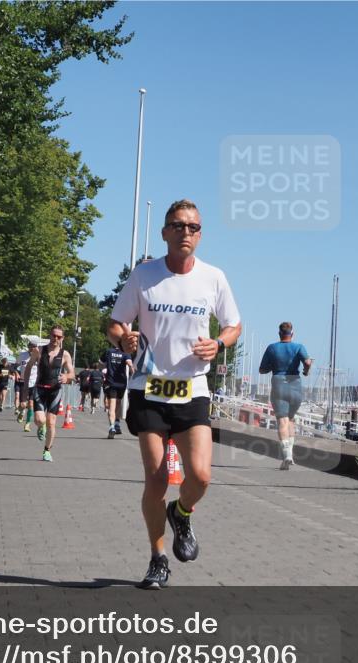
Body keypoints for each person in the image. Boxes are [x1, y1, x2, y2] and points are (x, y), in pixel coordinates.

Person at [108, 199, 241, 590]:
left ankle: (181, 513)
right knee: (157, 479)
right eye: (178, 226)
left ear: (201, 235)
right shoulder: (144, 276)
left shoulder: (213, 277)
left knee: (200, 476)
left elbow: (234, 325)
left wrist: (219, 343)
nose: (186, 232)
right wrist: (124, 339)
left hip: (192, 390)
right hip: (148, 389)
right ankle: (157, 557)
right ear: (165, 232)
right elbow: (115, 324)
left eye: (194, 227)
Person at [259, 322, 313, 470]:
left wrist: (273, 367)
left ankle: (287, 456)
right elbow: (307, 362)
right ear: (292, 334)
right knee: (290, 420)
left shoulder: (272, 348)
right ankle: (291, 455)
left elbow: (262, 369)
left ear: (279, 334)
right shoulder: (298, 347)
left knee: (282, 421)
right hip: (295, 386)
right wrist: (306, 371)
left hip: (279, 385)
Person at [23, 326, 74, 461]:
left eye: (59, 336)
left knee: (51, 422)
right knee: (39, 420)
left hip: (54, 391)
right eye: (53, 335)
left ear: (62, 338)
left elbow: (72, 373)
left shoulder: (65, 354)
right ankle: (41, 427)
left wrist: (67, 377)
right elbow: (28, 368)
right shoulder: (39, 351)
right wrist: (25, 388)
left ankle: (47, 451)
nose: (55, 338)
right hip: (39, 388)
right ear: (50, 335)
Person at [103, 345, 134, 438]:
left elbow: (100, 363)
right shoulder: (126, 353)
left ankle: (112, 426)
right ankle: (117, 422)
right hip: (121, 383)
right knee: (118, 402)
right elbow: (130, 364)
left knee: (112, 405)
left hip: (111, 381)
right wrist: (133, 374)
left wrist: (107, 367)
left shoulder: (108, 351)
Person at [19, 342, 39, 431]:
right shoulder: (22, 355)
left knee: (31, 404)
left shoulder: (39, 357)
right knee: (23, 405)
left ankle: (27, 424)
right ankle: (21, 412)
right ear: (28, 347)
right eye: (31, 347)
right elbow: (14, 366)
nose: (33, 349)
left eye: (35, 347)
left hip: (34, 383)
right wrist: (16, 373)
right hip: (24, 382)